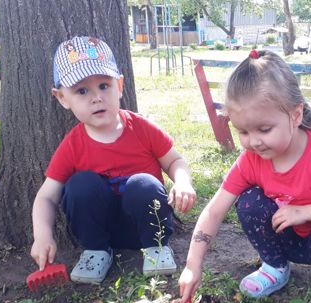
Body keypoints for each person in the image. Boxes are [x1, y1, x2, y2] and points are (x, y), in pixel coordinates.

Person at [178, 50, 311, 303]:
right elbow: (215, 209)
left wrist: (305, 212)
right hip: (285, 238)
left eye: (264, 129)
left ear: (295, 115)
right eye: (243, 131)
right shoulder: (252, 158)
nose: (253, 141)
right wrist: (192, 265)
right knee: (248, 203)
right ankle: (275, 266)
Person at [31, 36, 196, 284]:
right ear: (62, 98)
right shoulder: (73, 144)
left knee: (144, 184)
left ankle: (157, 249)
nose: (96, 97)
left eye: (104, 86)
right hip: (99, 233)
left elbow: (175, 161)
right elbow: (46, 196)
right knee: (80, 185)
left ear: (119, 85)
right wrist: (42, 235)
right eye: (81, 91)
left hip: (147, 229)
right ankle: (97, 253)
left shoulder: (141, 128)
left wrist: (182, 182)